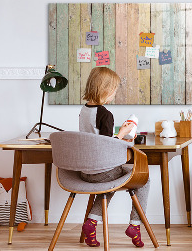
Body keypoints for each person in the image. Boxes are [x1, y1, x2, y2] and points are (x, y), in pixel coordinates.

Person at [79, 67, 149, 248]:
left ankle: (91, 223)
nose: (114, 94)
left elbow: (96, 139)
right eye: (114, 90)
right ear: (105, 89)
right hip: (102, 171)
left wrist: (118, 134)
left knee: (109, 182)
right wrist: (124, 133)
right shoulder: (105, 114)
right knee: (144, 179)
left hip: (85, 171)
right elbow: (107, 146)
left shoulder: (84, 110)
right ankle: (135, 225)